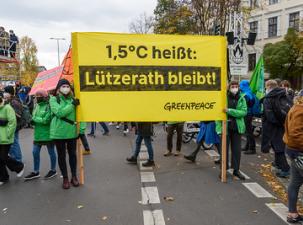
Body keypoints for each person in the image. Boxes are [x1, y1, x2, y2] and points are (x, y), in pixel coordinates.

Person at [49, 79, 80, 189]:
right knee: (61, 156)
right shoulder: (53, 99)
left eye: (67, 86)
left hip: (71, 132)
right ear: (58, 88)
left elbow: (80, 116)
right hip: (59, 133)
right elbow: (60, 113)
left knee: (73, 155)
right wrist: (72, 105)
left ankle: (74, 176)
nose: (66, 88)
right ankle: (65, 178)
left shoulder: (74, 99)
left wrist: (81, 130)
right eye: (63, 86)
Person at [24, 89, 57, 181]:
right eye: (36, 97)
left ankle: (53, 170)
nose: (37, 98)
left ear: (44, 97)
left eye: (39, 97)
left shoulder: (49, 106)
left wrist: (34, 119)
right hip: (38, 134)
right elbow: (36, 119)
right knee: (35, 153)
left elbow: (46, 120)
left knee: (51, 153)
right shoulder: (36, 106)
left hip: (48, 134)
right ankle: (36, 172)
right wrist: (32, 121)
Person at [217, 81, 247, 180]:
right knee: (224, 150)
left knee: (236, 150)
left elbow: (243, 112)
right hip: (225, 127)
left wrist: (229, 111)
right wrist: (218, 128)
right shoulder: (223, 97)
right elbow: (218, 114)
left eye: (236, 86)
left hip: (237, 128)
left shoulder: (242, 98)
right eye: (232, 86)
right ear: (229, 88)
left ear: (238, 87)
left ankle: (236, 170)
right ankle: (223, 170)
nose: (234, 88)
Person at [262, 80, 291, 178]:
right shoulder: (284, 94)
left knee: (278, 148)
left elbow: (269, 116)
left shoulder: (268, 98)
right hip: (284, 124)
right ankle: (278, 165)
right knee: (278, 146)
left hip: (273, 126)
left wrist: (276, 122)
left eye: (266, 87)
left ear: (269, 87)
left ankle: (285, 169)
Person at [283, 90, 303, 223]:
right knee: (295, 183)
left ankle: (292, 213)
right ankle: (292, 213)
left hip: (294, 150)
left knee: (295, 182)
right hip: (299, 151)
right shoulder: (300, 110)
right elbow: (296, 134)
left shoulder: (296, 107)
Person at [0, 93, 25, 185]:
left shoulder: (7, 108)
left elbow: (12, 122)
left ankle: (19, 166)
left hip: (6, 138)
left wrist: (8, 134)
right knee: (0, 158)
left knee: (3, 157)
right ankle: (3, 177)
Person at [3, 85, 23, 162]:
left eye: (6, 92)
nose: (4, 93)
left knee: (14, 143)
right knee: (11, 143)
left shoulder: (14, 101)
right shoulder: (9, 101)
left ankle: (18, 159)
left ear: (10, 93)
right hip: (11, 125)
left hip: (15, 125)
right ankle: (13, 159)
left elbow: (18, 115)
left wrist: (9, 111)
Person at [240, 80, 257, 155]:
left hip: (247, 114)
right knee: (248, 131)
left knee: (248, 131)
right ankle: (247, 146)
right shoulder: (250, 93)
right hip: (250, 113)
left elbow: (245, 105)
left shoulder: (245, 95)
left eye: (241, 85)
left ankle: (252, 148)